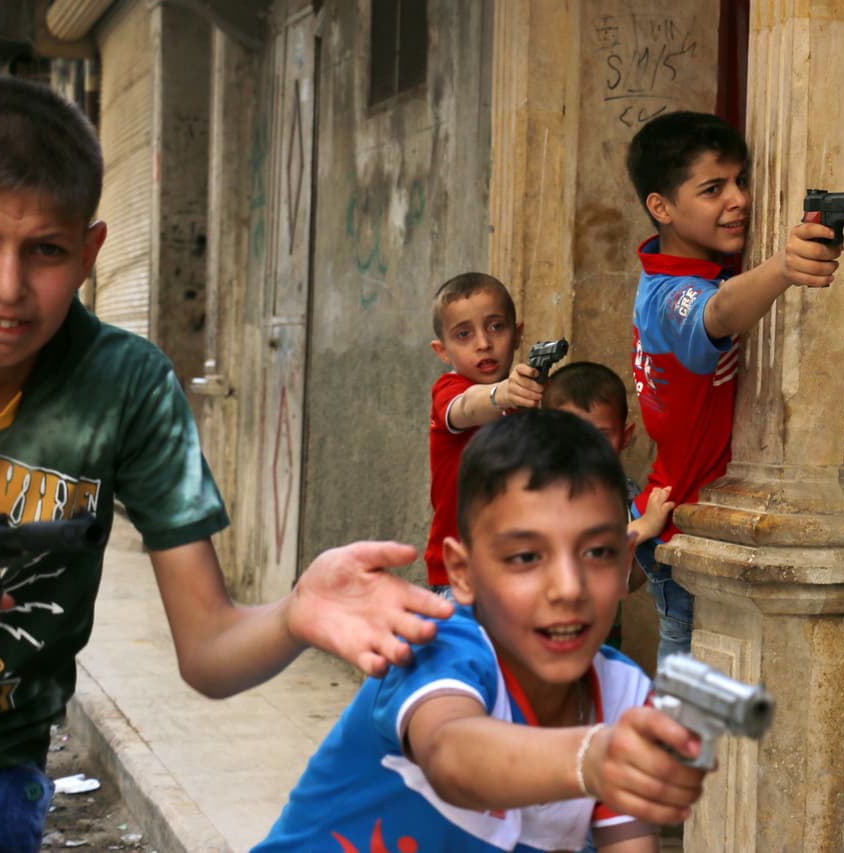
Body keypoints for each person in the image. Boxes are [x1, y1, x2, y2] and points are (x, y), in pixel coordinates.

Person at [0, 76, 453, 853]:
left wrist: (295, 613)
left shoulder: (124, 384)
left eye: (44, 250)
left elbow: (209, 651)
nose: (8, 288)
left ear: (90, 252)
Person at [255, 409, 710, 852]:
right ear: (463, 573)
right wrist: (590, 758)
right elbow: (451, 754)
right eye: (526, 558)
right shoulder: (441, 643)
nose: (569, 589)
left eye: (597, 553)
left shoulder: (623, 693)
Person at [624, 110, 843, 664]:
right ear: (661, 207)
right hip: (682, 528)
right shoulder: (666, 293)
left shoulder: (705, 272)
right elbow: (716, 313)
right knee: (684, 711)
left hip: (687, 520)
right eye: (713, 188)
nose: (739, 199)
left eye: (742, 181)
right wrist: (784, 267)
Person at [426, 272, 548, 598]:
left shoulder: (528, 398)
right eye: (463, 334)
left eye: (496, 326)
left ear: (518, 332)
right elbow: (466, 407)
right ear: (442, 351)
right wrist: (502, 395)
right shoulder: (448, 391)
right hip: (462, 577)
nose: (483, 343)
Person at [541, 361, 674, 649]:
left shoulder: (622, 494)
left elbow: (624, 580)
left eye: (600, 436)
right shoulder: (541, 495)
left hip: (600, 642)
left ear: (625, 437)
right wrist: (644, 527)